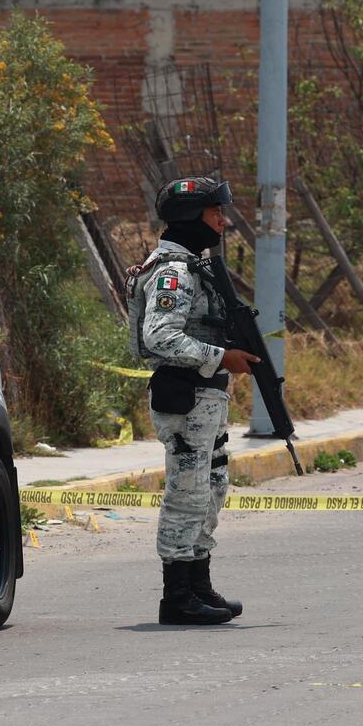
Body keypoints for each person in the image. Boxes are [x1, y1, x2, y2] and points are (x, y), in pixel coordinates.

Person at [126, 176, 259, 625]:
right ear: (189, 217)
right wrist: (222, 356)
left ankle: (199, 583)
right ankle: (177, 595)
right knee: (187, 493)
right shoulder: (173, 271)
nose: (223, 221)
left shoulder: (192, 264)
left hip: (205, 396)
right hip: (185, 394)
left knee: (211, 489)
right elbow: (160, 336)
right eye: (214, 213)